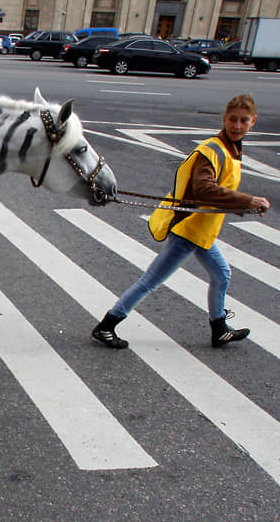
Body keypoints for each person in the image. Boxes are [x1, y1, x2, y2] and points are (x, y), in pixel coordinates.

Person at [91, 93, 270, 349]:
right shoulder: (213, 150)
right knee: (150, 281)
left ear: (253, 121)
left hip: (201, 232)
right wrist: (248, 201)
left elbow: (219, 192)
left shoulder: (231, 150)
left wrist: (246, 206)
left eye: (243, 121)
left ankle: (219, 328)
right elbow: (204, 190)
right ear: (225, 119)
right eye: (233, 120)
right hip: (189, 230)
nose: (237, 126)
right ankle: (107, 325)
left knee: (222, 275)